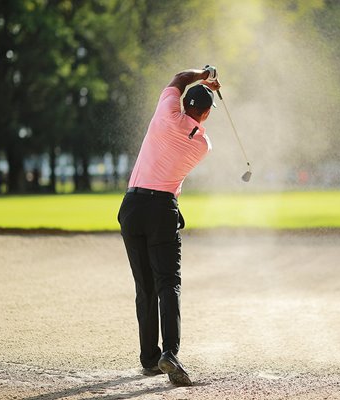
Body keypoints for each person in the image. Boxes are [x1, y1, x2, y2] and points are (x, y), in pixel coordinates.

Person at [117, 66, 220, 386]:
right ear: (204, 114)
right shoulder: (202, 145)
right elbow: (192, 126)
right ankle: (169, 354)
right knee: (168, 284)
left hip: (131, 207)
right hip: (162, 209)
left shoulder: (164, 112)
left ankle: (149, 357)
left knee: (144, 286)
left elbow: (177, 79)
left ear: (182, 102)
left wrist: (203, 75)